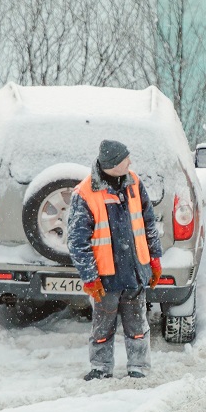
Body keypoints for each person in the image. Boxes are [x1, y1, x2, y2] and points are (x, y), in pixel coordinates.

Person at [67, 140, 164, 380]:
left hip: (135, 273)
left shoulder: (134, 182)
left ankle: (139, 367)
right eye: (125, 159)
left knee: (138, 326)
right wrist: (90, 277)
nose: (130, 162)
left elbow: (149, 223)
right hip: (105, 278)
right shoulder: (85, 193)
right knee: (102, 328)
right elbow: (77, 241)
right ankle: (100, 368)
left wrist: (154, 259)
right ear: (113, 164)